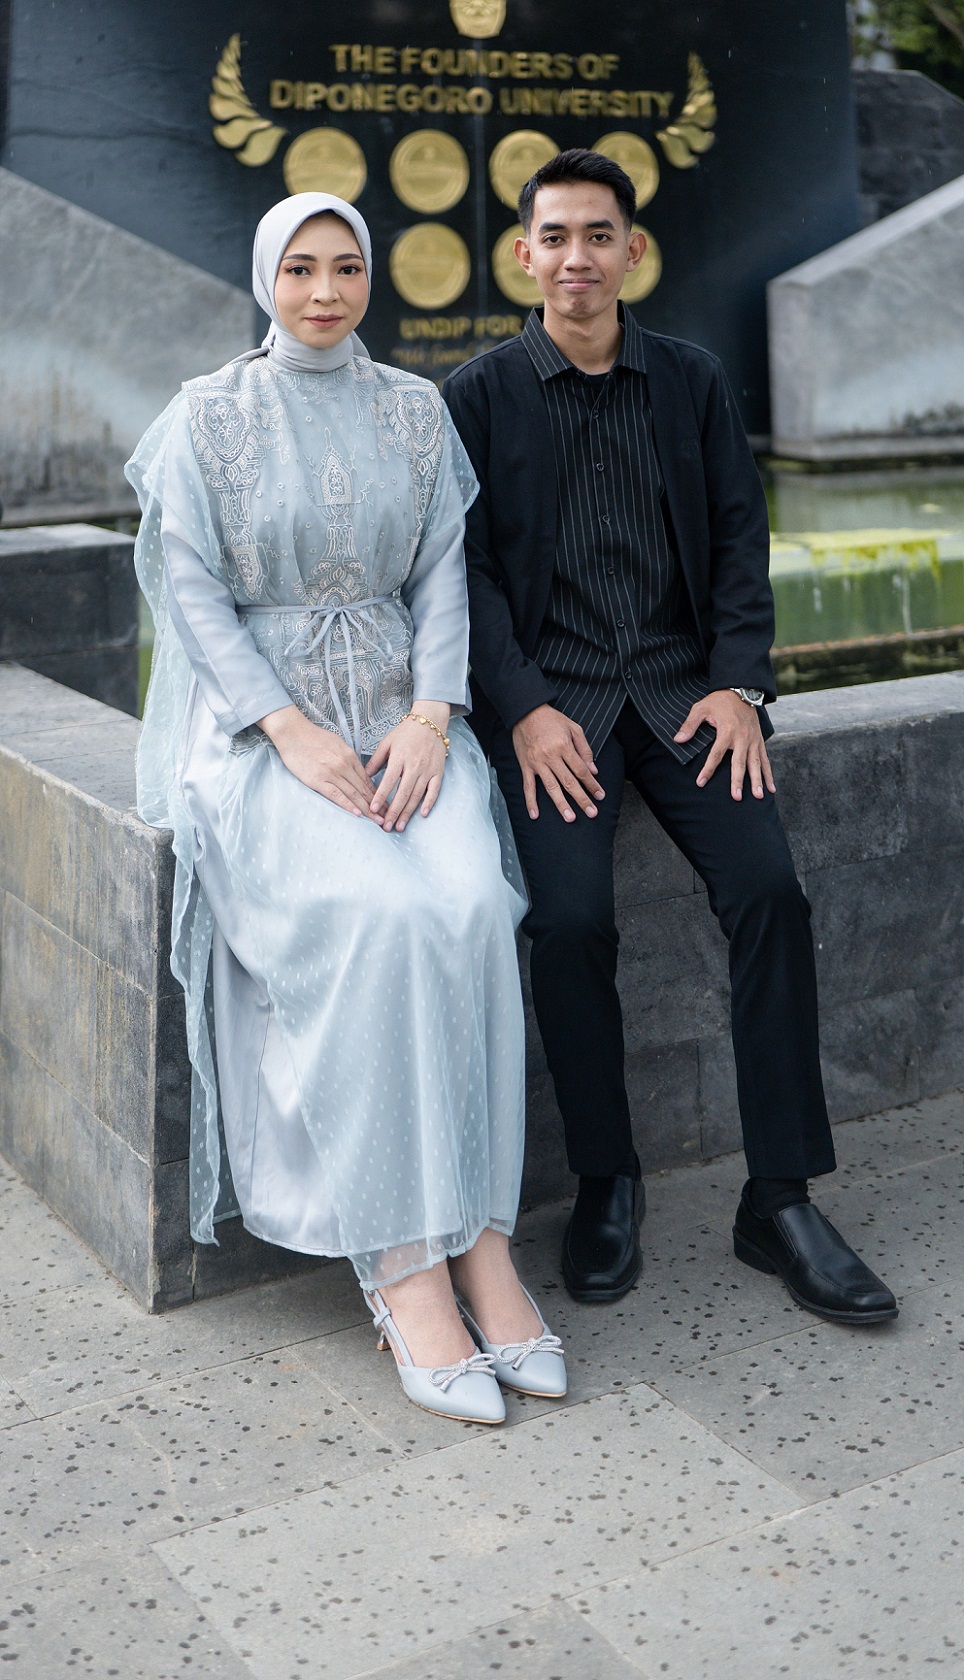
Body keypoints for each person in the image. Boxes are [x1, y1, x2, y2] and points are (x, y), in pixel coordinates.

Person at [126, 192, 567, 1424]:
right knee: (378, 917)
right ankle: (403, 1263)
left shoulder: (414, 409)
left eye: (346, 267)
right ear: (267, 275)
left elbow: (442, 576)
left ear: (371, 277)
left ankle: (483, 1241)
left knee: (469, 905)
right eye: (301, 268)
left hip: (405, 728)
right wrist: (287, 726)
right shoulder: (207, 415)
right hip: (267, 741)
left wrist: (430, 717)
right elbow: (189, 591)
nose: (325, 291)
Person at [443, 149, 897, 1325]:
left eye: (598, 235)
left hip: (683, 698)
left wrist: (742, 684)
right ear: (524, 254)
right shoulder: (476, 397)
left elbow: (741, 539)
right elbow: (466, 575)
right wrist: (522, 705)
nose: (576, 258)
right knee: (567, 922)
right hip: (558, 711)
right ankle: (608, 1179)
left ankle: (779, 1199)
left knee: (770, 894)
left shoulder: (689, 380)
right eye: (555, 237)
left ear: (631, 251)